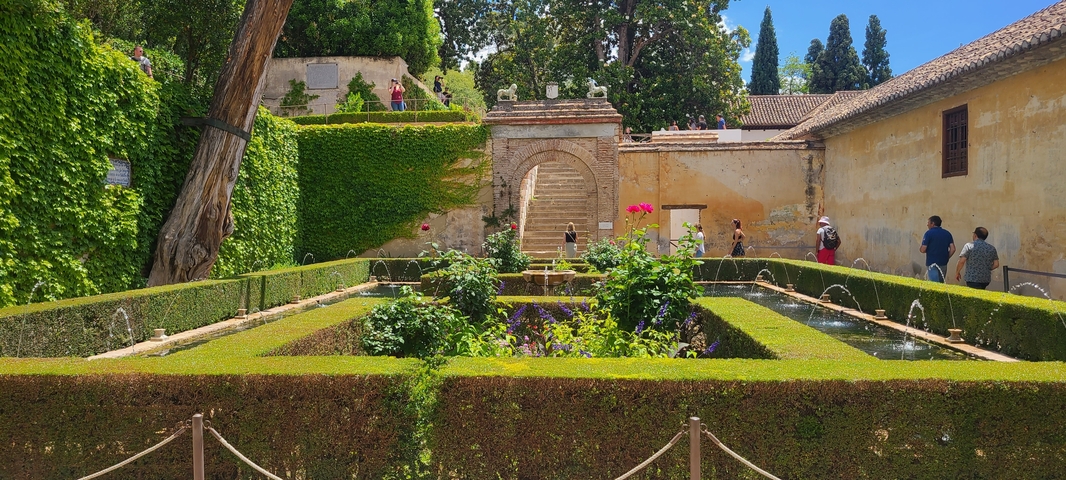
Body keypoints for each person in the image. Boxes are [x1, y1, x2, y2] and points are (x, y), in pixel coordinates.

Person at [920, 215, 955, 282]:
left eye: (928, 223)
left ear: (932, 223)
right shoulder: (947, 234)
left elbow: (923, 249)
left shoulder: (928, 233)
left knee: (934, 285)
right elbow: (953, 249)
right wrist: (946, 257)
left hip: (932, 262)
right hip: (943, 262)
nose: (927, 225)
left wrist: (922, 249)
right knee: (941, 285)